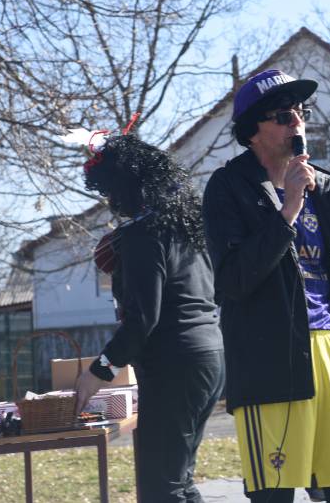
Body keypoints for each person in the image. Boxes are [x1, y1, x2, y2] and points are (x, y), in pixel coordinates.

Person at [203, 69, 330, 502]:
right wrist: (287, 212)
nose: (297, 123)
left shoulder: (327, 190)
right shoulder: (228, 188)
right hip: (270, 363)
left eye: (301, 112)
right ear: (253, 131)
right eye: (284, 116)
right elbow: (233, 280)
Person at [73, 134, 224, 502]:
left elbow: (143, 318)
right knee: (179, 481)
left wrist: (98, 372)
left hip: (176, 364)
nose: (110, 201)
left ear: (125, 186)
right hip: (210, 356)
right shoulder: (188, 230)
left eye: (110, 191)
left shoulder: (142, 235)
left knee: (161, 488)